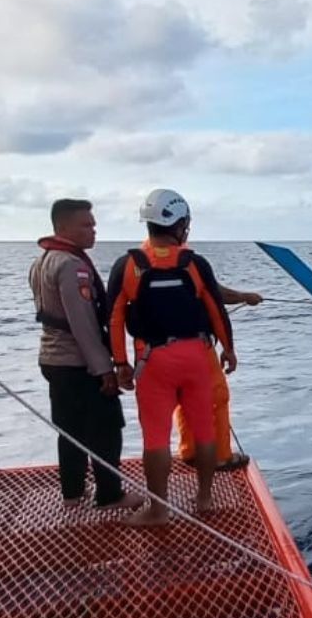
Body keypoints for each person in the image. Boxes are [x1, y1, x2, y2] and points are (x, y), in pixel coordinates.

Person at [107, 189, 236, 526]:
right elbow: (216, 310)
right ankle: (205, 498)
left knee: (156, 438)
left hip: (153, 360)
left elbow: (114, 317)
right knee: (205, 430)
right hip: (195, 355)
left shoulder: (128, 265)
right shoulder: (195, 264)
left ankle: (159, 510)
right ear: (180, 224)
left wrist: (119, 362)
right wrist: (228, 349)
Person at [28, 199, 144, 510]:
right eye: (85, 225)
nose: (93, 230)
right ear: (62, 228)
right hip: (77, 362)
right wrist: (104, 369)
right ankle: (109, 495)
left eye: (93, 224)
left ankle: (72, 494)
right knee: (106, 428)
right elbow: (83, 324)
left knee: (70, 430)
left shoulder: (42, 261)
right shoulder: (72, 266)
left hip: (52, 359)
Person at [176, 285, 260, 471]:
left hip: (156, 348)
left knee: (184, 395)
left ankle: (189, 450)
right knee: (217, 397)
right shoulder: (190, 263)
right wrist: (244, 296)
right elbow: (215, 292)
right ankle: (221, 456)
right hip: (195, 344)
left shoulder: (138, 264)